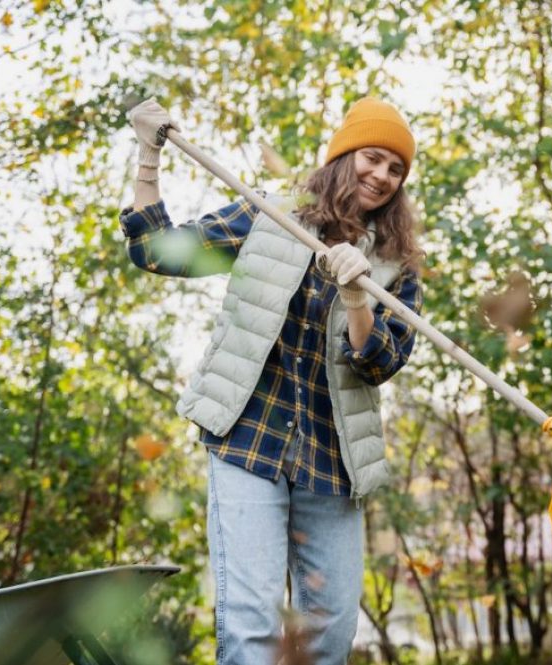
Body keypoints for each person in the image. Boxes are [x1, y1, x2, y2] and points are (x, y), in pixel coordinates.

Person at [121, 97, 423, 665]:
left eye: (396, 169)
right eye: (374, 158)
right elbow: (157, 252)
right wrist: (147, 155)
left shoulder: (395, 265)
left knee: (328, 636)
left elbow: (380, 362)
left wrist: (357, 297)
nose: (382, 176)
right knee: (253, 628)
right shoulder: (272, 214)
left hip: (333, 463)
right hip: (249, 441)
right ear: (344, 155)